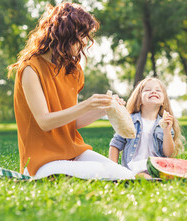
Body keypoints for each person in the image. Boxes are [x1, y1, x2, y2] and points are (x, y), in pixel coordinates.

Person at [7, 2, 134, 180]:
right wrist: (87, 104)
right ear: (64, 32)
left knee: (125, 175)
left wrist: (103, 108)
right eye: (82, 35)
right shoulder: (30, 69)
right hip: (41, 162)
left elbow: (71, 123)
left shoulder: (72, 70)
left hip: (72, 152)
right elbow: (45, 122)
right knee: (104, 172)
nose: (84, 41)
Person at [109, 77, 185, 178]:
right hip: (133, 168)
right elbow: (115, 145)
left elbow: (168, 152)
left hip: (156, 168)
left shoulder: (165, 123)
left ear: (163, 102)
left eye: (158, 90)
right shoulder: (129, 120)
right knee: (145, 177)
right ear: (139, 100)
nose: (153, 91)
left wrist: (167, 132)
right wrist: (113, 169)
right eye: (148, 90)